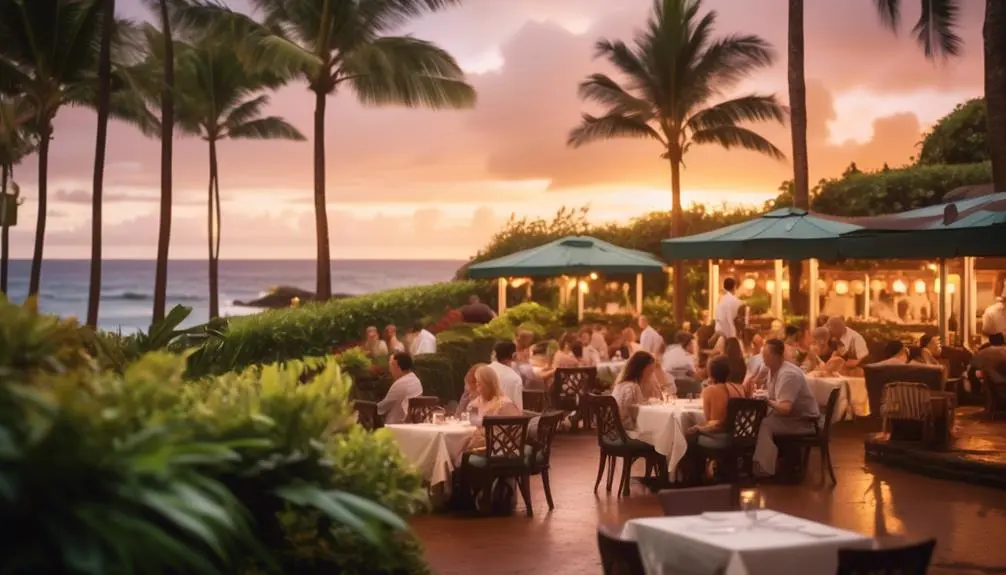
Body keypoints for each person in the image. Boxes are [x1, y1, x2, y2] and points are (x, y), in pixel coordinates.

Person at [754, 339, 821, 477]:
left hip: (804, 421)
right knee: (761, 419)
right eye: (763, 355)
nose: (763, 359)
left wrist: (767, 401)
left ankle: (765, 469)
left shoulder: (788, 374)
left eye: (766, 356)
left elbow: (785, 408)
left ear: (777, 357)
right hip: (793, 418)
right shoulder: (773, 370)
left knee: (764, 424)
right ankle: (767, 463)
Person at [686, 355, 747, 446]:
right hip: (740, 435)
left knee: (690, 435)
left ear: (710, 373)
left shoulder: (710, 390)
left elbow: (710, 421)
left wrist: (698, 428)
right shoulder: (739, 388)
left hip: (722, 437)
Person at [465, 365, 522, 452]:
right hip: (484, 445)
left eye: (479, 382)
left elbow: (517, 431)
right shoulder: (475, 403)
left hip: (500, 449)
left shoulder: (504, 404)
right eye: (476, 381)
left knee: (461, 453)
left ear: (488, 383)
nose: (476, 384)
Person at [610, 351, 654, 430]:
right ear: (644, 369)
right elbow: (639, 413)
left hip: (614, 429)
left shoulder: (620, 385)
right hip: (626, 430)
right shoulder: (632, 387)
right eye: (651, 369)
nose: (652, 372)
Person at [377, 352, 423, 424]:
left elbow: (382, 408)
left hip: (396, 425)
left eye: (391, 366)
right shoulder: (416, 380)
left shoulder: (400, 384)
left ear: (396, 366)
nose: (390, 370)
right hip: (412, 423)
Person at [489, 341, 524, 411]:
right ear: (514, 355)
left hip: (481, 418)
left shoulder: (483, 371)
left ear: (495, 354)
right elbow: (518, 408)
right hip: (506, 420)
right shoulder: (515, 378)